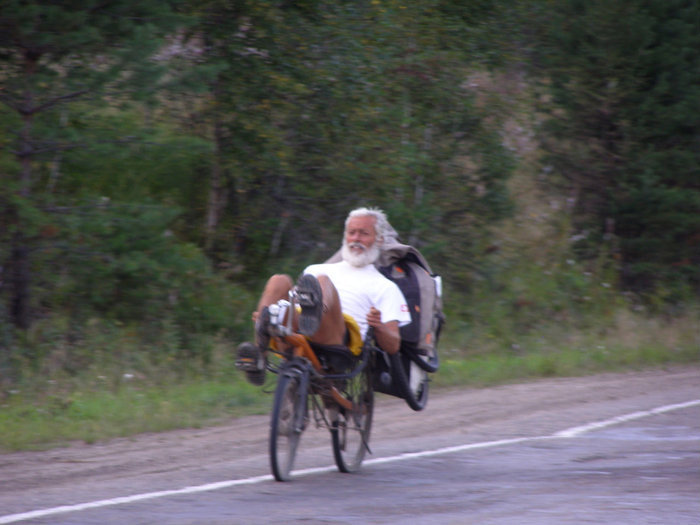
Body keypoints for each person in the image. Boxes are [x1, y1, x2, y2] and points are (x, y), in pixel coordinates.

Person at [236, 207, 411, 385]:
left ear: (379, 240)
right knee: (279, 281)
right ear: (345, 237)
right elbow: (294, 298)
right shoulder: (315, 269)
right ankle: (260, 353)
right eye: (352, 233)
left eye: (364, 233)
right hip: (298, 328)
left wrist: (379, 326)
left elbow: (393, 346)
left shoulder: (386, 287)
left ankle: (307, 315)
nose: (356, 239)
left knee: (322, 282)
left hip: (338, 343)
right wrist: (270, 311)